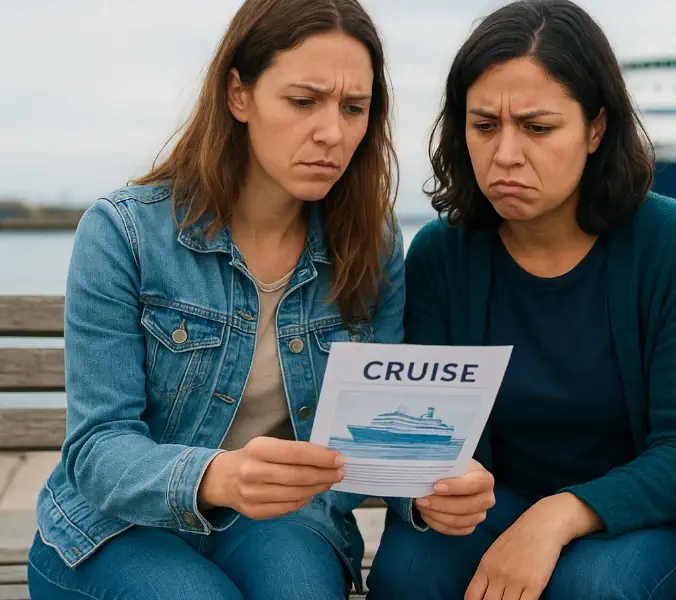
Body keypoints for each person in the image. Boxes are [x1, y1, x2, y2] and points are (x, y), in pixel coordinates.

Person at [26, 1, 493, 599]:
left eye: (355, 108)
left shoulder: (370, 244)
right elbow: (97, 451)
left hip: (284, 520)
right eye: (303, 102)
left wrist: (434, 491)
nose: (333, 132)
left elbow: (376, 444)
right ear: (238, 95)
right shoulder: (123, 234)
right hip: (114, 527)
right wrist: (219, 476)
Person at [365, 0, 676, 599]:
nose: (506, 154)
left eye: (538, 128)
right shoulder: (442, 254)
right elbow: (426, 435)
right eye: (484, 125)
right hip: (497, 501)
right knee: (408, 571)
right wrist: (430, 488)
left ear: (596, 128)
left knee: (591, 588)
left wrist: (558, 516)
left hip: (642, 514)